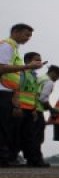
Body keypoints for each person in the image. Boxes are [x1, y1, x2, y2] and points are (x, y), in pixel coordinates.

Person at [0, 24, 42, 167]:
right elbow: (2, 68)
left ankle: (4, 158)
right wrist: (27, 66)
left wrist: (15, 96)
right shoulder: (7, 46)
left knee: (6, 128)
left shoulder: (14, 48)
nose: (28, 38)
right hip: (2, 92)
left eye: (30, 36)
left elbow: (14, 77)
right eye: (26, 35)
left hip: (8, 91)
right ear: (15, 32)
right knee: (4, 128)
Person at [31, 64, 59, 167]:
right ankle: (37, 160)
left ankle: (31, 159)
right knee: (38, 137)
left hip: (30, 108)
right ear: (53, 73)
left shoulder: (39, 78)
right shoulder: (48, 82)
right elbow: (43, 98)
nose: (57, 79)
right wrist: (51, 109)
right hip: (37, 110)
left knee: (30, 136)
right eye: (58, 76)